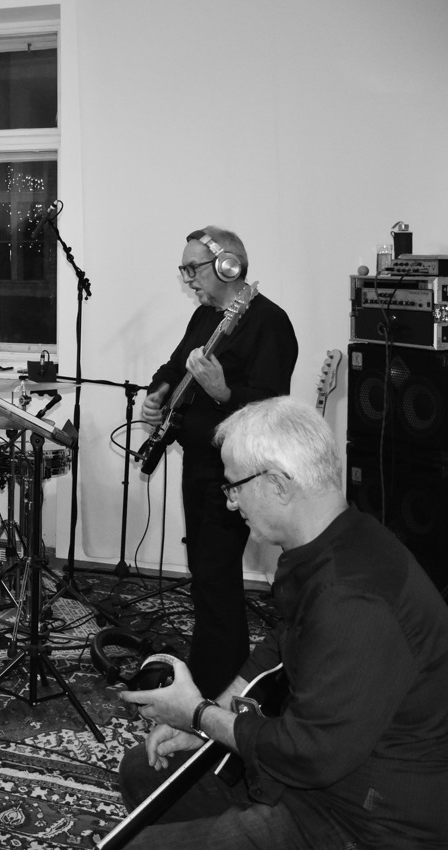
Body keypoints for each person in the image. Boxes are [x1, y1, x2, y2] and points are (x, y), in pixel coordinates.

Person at [117, 396, 448, 850]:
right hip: (321, 782)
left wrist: (199, 715)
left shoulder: (355, 597)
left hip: (367, 826)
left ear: (278, 485)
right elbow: (282, 643)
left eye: (234, 487)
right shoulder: (340, 539)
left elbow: (308, 753)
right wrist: (206, 720)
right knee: (142, 774)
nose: (230, 503)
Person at [140, 227, 297, 697]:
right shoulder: (206, 316)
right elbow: (175, 366)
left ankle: (220, 687)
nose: (188, 279)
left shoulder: (269, 322)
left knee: (216, 574)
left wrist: (224, 392)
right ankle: (210, 670)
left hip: (236, 474)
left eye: (193, 268)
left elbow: (271, 404)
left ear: (229, 266)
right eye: (184, 269)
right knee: (205, 572)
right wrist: (157, 393)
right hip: (198, 461)